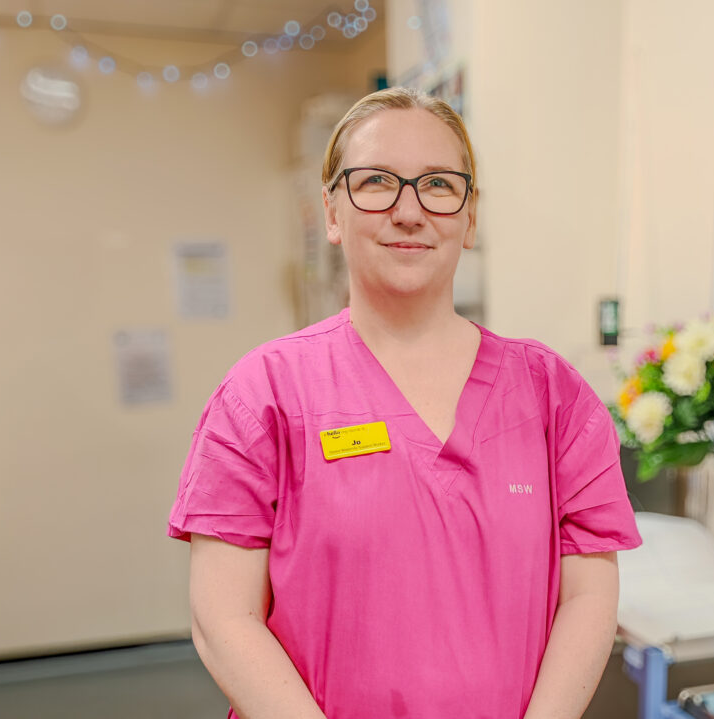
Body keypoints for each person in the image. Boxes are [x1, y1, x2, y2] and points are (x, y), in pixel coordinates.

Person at [168, 87, 642, 719]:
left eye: (439, 185)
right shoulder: (263, 395)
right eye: (376, 182)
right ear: (333, 212)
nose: (409, 212)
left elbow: (588, 594)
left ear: (470, 216)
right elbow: (224, 618)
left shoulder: (553, 395)